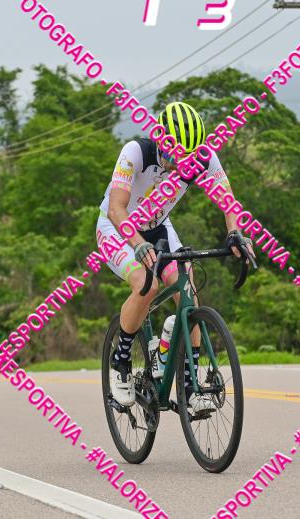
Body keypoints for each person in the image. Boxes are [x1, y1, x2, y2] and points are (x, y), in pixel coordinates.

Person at [96, 101, 254, 414]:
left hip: (158, 227)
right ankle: (121, 363)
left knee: (188, 294)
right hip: (117, 227)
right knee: (147, 284)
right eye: (175, 155)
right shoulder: (135, 153)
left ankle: (190, 386)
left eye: (188, 158)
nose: (180, 164)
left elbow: (228, 201)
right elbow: (116, 208)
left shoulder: (202, 156)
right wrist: (138, 244)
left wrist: (235, 232)